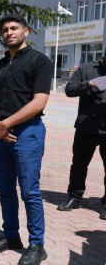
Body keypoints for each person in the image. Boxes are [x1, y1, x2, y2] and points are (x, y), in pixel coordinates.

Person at [0, 14, 53, 265]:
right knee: (5, 189)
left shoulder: (40, 61)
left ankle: (37, 244)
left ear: (25, 31)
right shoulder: (0, 66)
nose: (9, 33)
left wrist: (6, 124)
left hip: (27, 132)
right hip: (1, 134)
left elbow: (40, 101)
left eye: (14, 28)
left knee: (30, 191)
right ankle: (11, 236)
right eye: (4, 30)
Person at [57, 50, 106, 220]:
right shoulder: (86, 69)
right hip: (86, 127)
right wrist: (89, 84)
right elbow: (70, 90)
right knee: (78, 164)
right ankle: (74, 198)